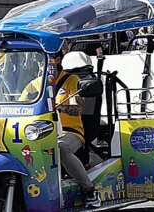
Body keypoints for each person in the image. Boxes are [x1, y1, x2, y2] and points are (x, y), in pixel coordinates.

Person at [20, 52, 101, 208]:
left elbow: (77, 109)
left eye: (44, 60)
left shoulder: (72, 80)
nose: (39, 64)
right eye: (38, 60)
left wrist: (57, 107)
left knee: (61, 148)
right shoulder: (34, 84)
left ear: (56, 60)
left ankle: (89, 189)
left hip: (69, 131)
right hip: (40, 132)